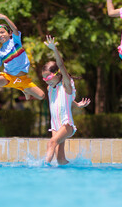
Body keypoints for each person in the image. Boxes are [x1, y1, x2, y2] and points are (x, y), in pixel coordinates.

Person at [42, 35, 91, 165]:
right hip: (55, 125)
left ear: (57, 74)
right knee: (60, 160)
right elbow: (62, 101)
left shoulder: (66, 85)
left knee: (51, 142)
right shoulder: (50, 88)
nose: (45, 80)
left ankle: (42, 170)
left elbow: (61, 65)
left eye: (47, 77)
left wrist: (54, 49)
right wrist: (76, 104)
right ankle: (76, 170)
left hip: (66, 124)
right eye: (43, 78)